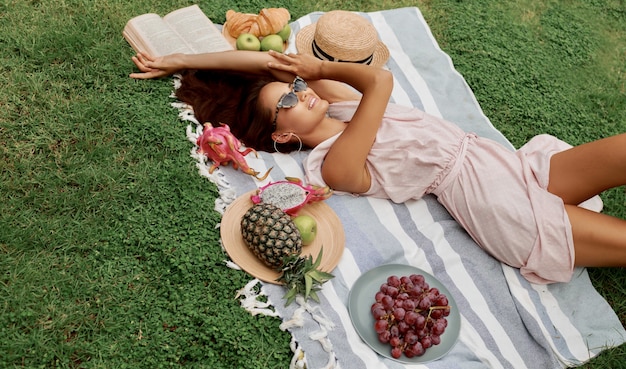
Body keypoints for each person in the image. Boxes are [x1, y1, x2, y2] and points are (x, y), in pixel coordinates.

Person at [129, 16, 626, 285]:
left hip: (505, 165)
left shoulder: (338, 107)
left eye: (296, 84)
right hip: (499, 207)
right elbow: (380, 81)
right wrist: (321, 70)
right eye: (287, 100)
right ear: (282, 137)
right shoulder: (335, 163)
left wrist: (183, 60)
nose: (300, 88)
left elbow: (268, 61)